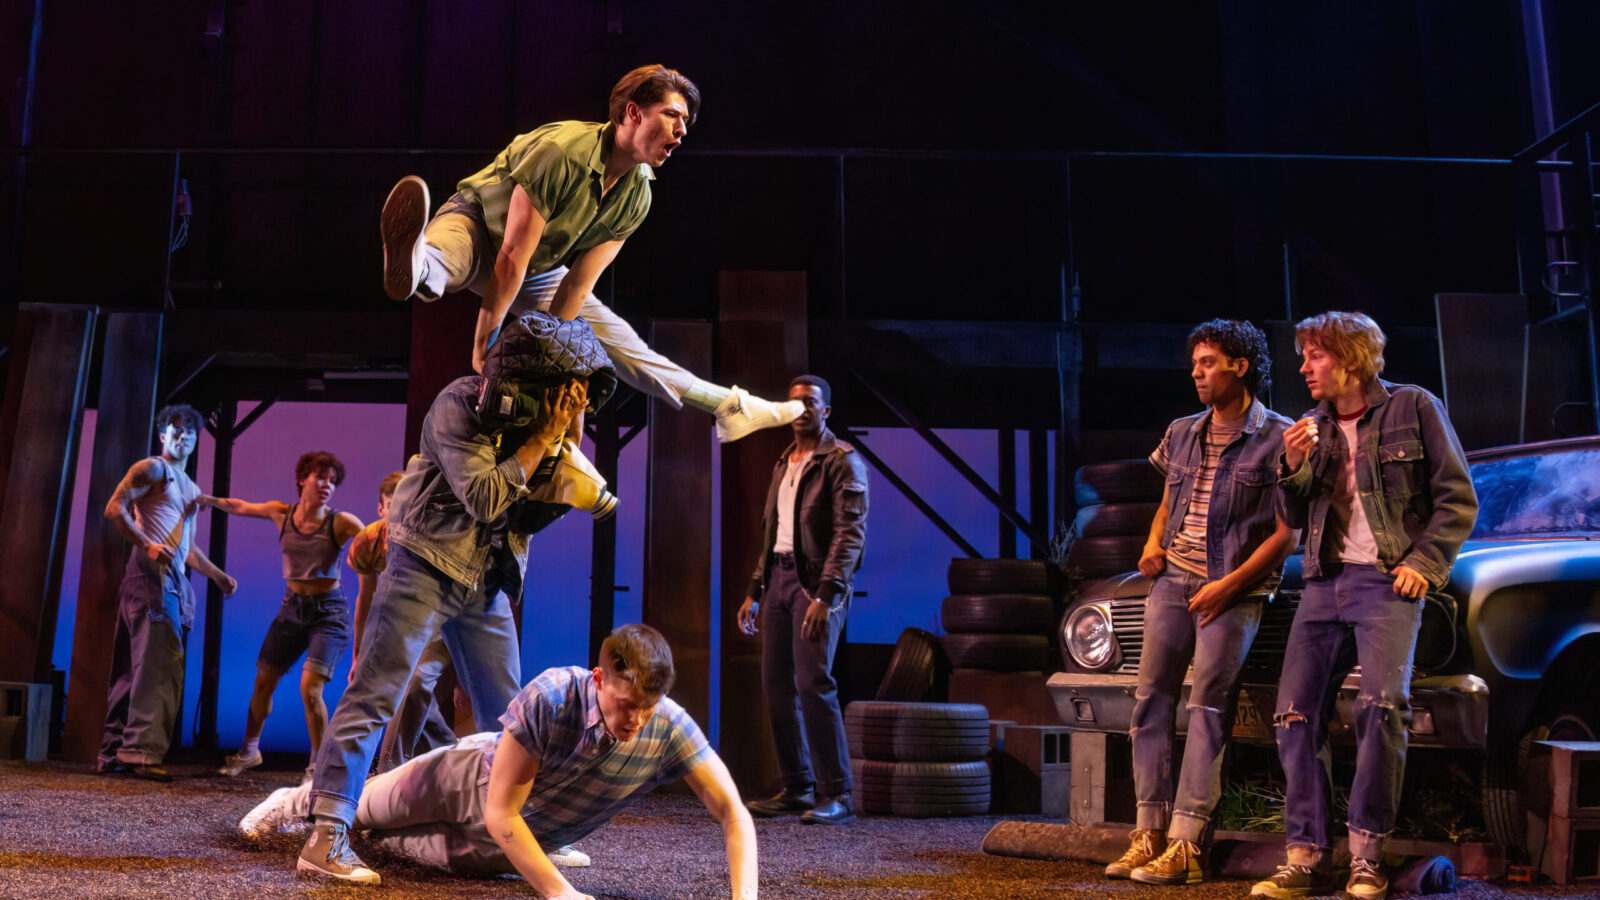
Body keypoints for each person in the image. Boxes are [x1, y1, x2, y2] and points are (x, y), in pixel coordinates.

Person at [297, 309, 615, 883]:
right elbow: (487, 498)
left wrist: (568, 440)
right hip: (425, 563)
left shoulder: (538, 426)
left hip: (486, 576)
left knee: (511, 713)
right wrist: (545, 435)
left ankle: (520, 833)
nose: (559, 401)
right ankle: (326, 834)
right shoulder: (458, 404)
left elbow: (529, 512)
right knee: (377, 692)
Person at [379, 63, 798, 443]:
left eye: (686, 121)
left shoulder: (638, 194)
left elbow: (578, 283)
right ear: (633, 113)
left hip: (538, 268)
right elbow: (510, 254)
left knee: (616, 338)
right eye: (672, 115)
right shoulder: (564, 151)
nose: (682, 130)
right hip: (478, 222)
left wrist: (548, 351)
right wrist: (482, 346)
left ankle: (727, 405)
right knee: (444, 257)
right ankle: (411, 264)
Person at [240, 624, 757, 897]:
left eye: (647, 708)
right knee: (369, 809)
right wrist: (560, 894)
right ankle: (297, 801)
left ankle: (357, 831)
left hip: (500, 846)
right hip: (465, 783)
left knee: (385, 846)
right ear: (599, 679)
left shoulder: (667, 724)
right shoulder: (554, 694)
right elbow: (500, 809)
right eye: (626, 705)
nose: (636, 720)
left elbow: (733, 813)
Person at [1252, 311, 1477, 900]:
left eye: (1315, 356)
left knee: (1381, 709)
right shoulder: (1311, 428)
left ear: (1350, 358)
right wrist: (1293, 468)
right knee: (1294, 715)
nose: (1304, 367)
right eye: (1303, 357)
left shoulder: (1414, 407)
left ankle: (1367, 857)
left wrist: (1423, 566)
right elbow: (1296, 519)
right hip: (1324, 582)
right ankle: (1305, 855)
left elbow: (1457, 499)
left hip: (1386, 581)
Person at [1104, 320, 1298, 886]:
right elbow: (1170, 498)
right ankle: (1148, 832)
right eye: (1195, 363)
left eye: (1209, 362)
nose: (1197, 373)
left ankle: (1187, 844)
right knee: (1150, 701)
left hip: (1231, 590)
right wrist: (1150, 542)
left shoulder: (1278, 437)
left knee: (1208, 706)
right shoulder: (1183, 431)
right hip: (1173, 581)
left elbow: (1288, 534)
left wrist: (1230, 585)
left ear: (1240, 366)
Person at [357, 469, 592, 870]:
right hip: (430, 607)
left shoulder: (456, 509)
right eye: (392, 503)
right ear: (382, 508)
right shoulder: (373, 541)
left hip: (477, 592)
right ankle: (383, 790)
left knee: (505, 703)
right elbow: (368, 600)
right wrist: (360, 658)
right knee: (412, 684)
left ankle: (529, 820)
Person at [737, 375, 868, 826]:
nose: (800, 409)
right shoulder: (784, 462)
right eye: (794, 403)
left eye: (810, 402)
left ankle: (839, 794)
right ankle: (798, 787)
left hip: (816, 587)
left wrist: (826, 595)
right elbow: (772, 532)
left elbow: (849, 535)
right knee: (775, 684)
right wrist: (755, 589)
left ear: (826, 411)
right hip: (779, 580)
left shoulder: (842, 462)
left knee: (814, 683)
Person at [100, 404, 237, 781]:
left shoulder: (189, 487)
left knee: (132, 670)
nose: (183, 435)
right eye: (175, 430)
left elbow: (187, 549)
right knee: (160, 668)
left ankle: (114, 751)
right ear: (162, 435)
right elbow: (115, 509)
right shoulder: (154, 468)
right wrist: (146, 545)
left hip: (163, 580)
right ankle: (140, 753)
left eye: (190, 430)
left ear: (196, 438)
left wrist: (217, 576)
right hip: (151, 581)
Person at [210, 452, 365, 777]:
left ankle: (318, 766)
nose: (327, 485)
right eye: (320, 477)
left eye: (332, 481)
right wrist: (204, 499)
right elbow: (239, 506)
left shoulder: (339, 521)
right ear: (302, 479)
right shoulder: (281, 513)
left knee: (310, 689)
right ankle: (249, 752)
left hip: (329, 613)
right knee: (263, 683)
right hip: (291, 608)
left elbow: (370, 538)